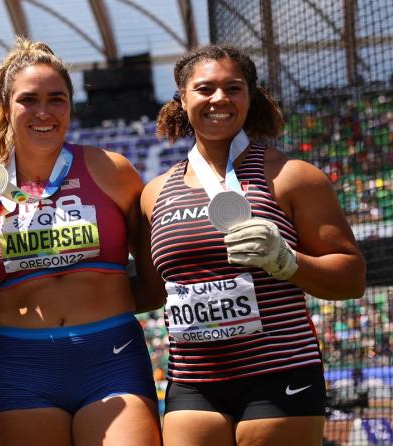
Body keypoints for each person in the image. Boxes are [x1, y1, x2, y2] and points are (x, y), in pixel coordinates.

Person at [141, 44, 366, 446]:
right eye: (205, 89)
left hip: (279, 371)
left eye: (233, 88)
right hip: (192, 381)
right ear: (182, 98)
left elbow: (352, 278)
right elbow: (148, 288)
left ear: (250, 97)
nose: (219, 99)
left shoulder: (292, 176)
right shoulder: (154, 193)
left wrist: (286, 260)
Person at [0, 37, 162, 445]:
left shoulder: (111, 170)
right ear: (6, 108)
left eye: (56, 99)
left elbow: (154, 283)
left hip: (111, 355)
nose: (43, 112)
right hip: (24, 366)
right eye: (29, 99)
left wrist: (104, 303)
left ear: (71, 105)